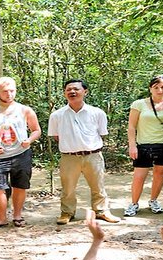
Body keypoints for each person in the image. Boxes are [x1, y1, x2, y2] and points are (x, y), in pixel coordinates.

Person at [49, 79, 120, 225]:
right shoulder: (57, 115)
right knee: (68, 188)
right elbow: (57, 137)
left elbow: (101, 133)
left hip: (93, 155)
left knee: (98, 186)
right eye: (68, 90)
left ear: (85, 92)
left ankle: (101, 211)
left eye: (76, 89)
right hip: (69, 157)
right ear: (64, 93)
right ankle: (67, 212)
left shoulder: (97, 113)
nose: (72, 92)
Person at [0, 77, 41, 228]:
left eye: (12, 91)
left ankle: (17, 216)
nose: (9, 94)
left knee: (20, 185)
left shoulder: (25, 110)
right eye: (5, 91)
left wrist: (29, 140)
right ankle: (1, 217)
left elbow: (36, 130)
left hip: (21, 154)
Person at [124, 75, 163, 217]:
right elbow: (131, 127)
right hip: (144, 145)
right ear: (150, 88)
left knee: (160, 173)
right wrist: (132, 146)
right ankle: (134, 203)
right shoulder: (139, 104)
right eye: (156, 87)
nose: (159, 90)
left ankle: (154, 200)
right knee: (139, 176)